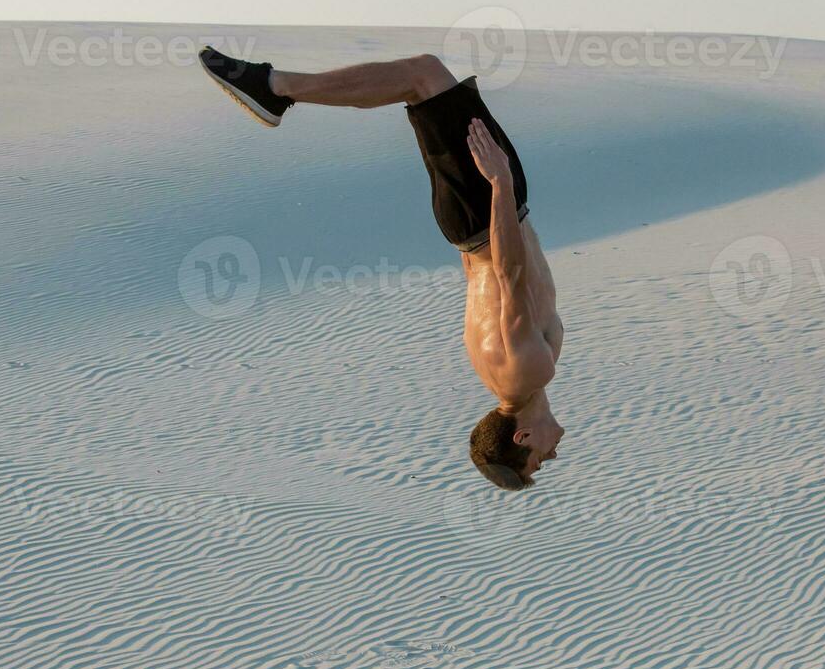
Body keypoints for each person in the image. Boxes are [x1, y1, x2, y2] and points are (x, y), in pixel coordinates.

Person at [198, 47, 564, 490]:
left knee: (422, 77)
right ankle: (276, 89)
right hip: (476, 223)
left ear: (522, 437)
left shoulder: (526, 372)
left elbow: (510, 276)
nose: (553, 454)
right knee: (421, 81)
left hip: (488, 211)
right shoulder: (506, 379)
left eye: (538, 461)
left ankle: (275, 88)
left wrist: (500, 183)